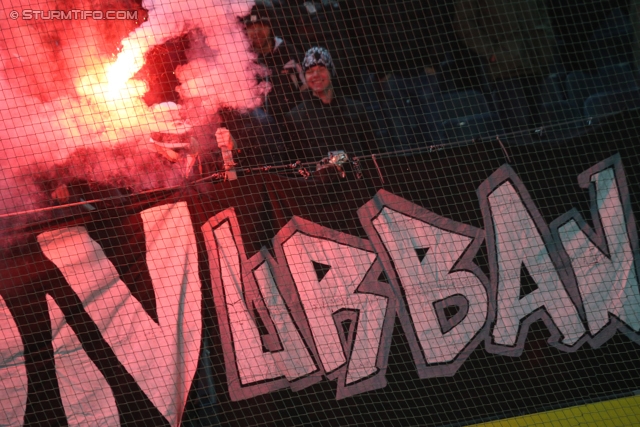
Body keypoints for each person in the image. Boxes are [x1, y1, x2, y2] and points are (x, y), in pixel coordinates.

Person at [284, 47, 381, 166]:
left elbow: (373, 151)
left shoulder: (356, 108)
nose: (315, 75)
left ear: (331, 72)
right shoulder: (295, 117)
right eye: (309, 72)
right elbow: (299, 162)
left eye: (321, 69)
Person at [242, 4, 307, 126]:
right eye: (251, 27)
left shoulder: (289, 53)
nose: (256, 32)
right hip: (260, 130)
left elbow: (307, 91)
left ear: (270, 26)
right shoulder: (243, 57)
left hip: (293, 125)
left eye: (261, 25)